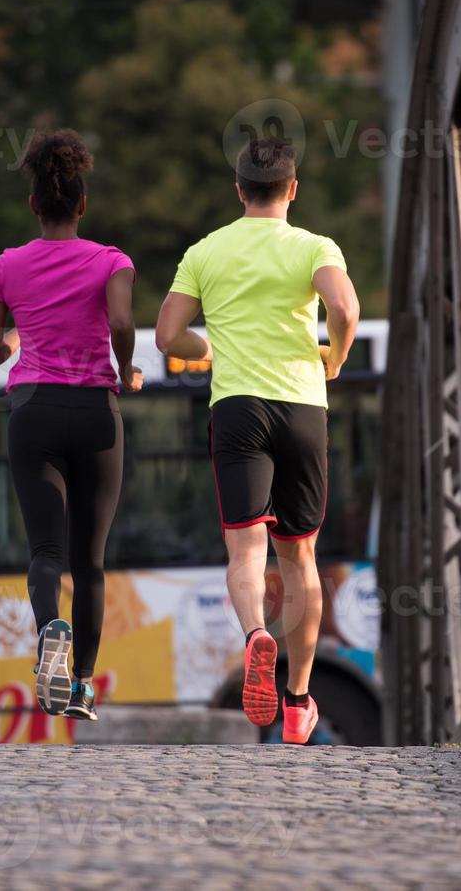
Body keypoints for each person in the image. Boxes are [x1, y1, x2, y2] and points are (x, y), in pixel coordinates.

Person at [155, 137, 360, 744]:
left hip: (238, 408)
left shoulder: (206, 250)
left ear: (239, 190)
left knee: (245, 553)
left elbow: (168, 334)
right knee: (299, 559)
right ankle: (297, 702)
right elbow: (343, 309)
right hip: (302, 408)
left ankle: (254, 636)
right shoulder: (314, 246)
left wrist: (205, 348)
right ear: (292, 189)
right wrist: (336, 359)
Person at [0, 129, 142, 722]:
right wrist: (124, 368)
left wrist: (21, 334)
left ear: (32, 206)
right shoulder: (111, 261)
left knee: (45, 550)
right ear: (82, 204)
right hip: (96, 412)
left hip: (33, 410)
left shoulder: (7, 266)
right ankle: (82, 688)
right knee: (90, 559)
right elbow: (121, 324)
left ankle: (51, 628)